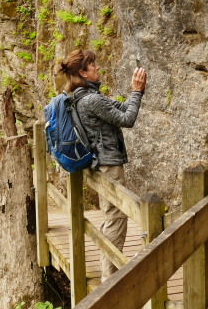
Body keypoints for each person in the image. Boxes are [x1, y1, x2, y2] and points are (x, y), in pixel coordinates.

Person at [56, 49, 147, 280]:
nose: (98, 67)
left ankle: (109, 275)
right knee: (116, 219)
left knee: (111, 219)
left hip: (99, 164)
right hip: (108, 164)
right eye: (92, 65)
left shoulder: (79, 97)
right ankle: (110, 282)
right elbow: (128, 119)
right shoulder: (92, 99)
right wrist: (137, 91)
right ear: (83, 73)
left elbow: (123, 109)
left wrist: (137, 94)